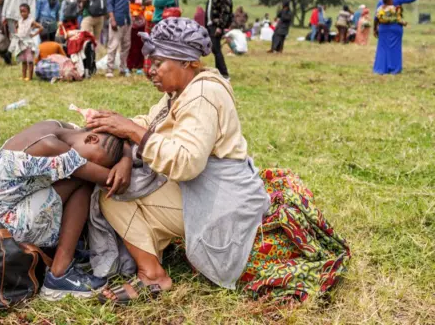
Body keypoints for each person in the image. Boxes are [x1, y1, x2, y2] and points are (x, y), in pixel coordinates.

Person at [87, 18, 350, 304]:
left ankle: (152, 276)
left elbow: (186, 163)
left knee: (113, 193)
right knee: (124, 182)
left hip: (221, 204)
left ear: (188, 62)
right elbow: (151, 123)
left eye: (158, 62)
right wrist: (113, 126)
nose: (150, 71)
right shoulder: (180, 91)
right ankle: (152, 250)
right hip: (205, 190)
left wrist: (129, 130)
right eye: (150, 62)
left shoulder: (203, 94)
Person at [0, 120, 127, 300]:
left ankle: (63, 250)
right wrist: (127, 160)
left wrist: (124, 151)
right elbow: (113, 181)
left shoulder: (55, 126)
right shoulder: (51, 147)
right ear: (92, 139)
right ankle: (59, 274)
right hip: (2, 231)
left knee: (74, 177)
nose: (93, 166)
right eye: (94, 162)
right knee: (84, 182)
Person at [373, 0, 416, 75]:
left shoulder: (381, 1)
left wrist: (375, 29)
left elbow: (376, 17)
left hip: (383, 27)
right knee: (395, 48)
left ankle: (380, 69)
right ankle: (394, 69)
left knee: (382, 48)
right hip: (395, 26)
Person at [106, 0, 133, 78]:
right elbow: (109, 3)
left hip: (127, 18)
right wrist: (112, 19)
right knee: (113, 45)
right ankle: (109, 69)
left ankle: (123, 68)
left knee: (126, 44)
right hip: (117, 18)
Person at [205, 0, 232, 79]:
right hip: (210, 24)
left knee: (216, 48)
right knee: (215, 48)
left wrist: (220, 27)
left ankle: (224, 73)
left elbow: (225, 11)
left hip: (217, 25)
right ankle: (219, 72)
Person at [9, 4, 43, 81]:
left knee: (30, 61)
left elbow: (41, 27)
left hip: (28, 44)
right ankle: (24, 76)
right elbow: (17, 29)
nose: (22, 13)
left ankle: (30, 77)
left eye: (24, 11)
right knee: (23, 61)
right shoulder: (19, 21)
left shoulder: (31, 21)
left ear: (28, 12)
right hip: (21, 44)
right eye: (21, 12)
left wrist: (33, 34)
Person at [127, 0, 146, 73]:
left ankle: (140, 66)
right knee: (130, 45)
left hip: (142, 24)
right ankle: (129, 66)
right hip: (131, 24)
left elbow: (147, 6)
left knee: (141, 45)